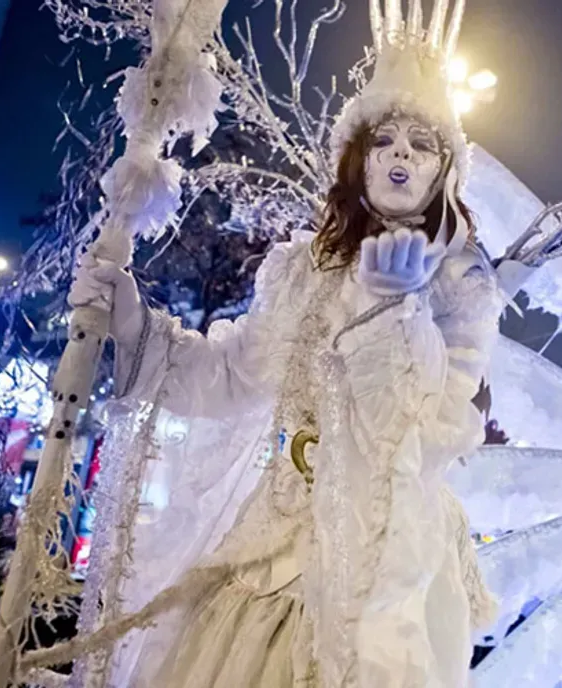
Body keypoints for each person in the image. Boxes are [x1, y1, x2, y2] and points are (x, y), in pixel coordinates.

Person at [66, 4, 514, 686]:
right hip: (274, 532)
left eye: (421, 145)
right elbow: (232, 377)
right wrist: (135, 326)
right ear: (357, 161)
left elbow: (434, 427)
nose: (400, 155)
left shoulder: (461, 286)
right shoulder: (303, 267)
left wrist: (393, 313)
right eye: (385, 140)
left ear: (443, 169)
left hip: (381, 546)